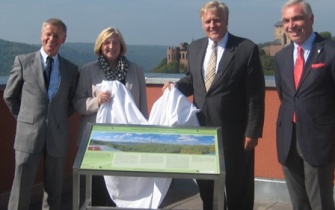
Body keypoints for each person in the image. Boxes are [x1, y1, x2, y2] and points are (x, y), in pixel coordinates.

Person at [162, 1, 265, 209]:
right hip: (201, 134)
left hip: (236, 134)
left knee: (238, 191)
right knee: (208, 192)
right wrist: (174, 87)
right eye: (208, 21)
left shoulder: (246, 49)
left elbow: (255, 95)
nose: (212, 25)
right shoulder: (196, 48)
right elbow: (192, 81)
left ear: (226, 20)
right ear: (202, 23)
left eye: (217, 20)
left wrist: (252, 131)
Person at [3, 18, 78, 209]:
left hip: (57, 135)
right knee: (21, 189)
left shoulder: (70, 69)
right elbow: (9, 96)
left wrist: (57, 119)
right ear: (41, 36)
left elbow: (71, 102)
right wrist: (25, 118)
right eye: (48, 34)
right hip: (28, 135)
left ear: (64, 39)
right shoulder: (23, 62)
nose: (51, 38)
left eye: (56, 35)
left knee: (54, 189)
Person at [73, 27, 148, 206]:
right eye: (107, 42)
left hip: (126, 140)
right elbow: (77, 103)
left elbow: (141, 106)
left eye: (115, 42)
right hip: (97, 140)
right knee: (98, 190)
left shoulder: (135, 70)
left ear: (121, 46)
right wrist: (96, 101)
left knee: (123, 188)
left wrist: (144, 135)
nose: (111, 46)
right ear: (100, 45)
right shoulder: (88, 70)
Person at [274, 0, 335, 209]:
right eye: (286, 21)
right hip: (288, 139)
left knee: (321, 203)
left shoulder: (330, 51)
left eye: (297, 18)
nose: (291, 25)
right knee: (298, 202)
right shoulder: (281, 57)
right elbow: (286, 96)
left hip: (319, 141)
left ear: (311, 19)